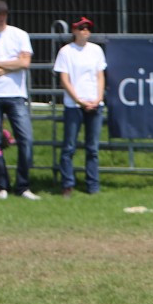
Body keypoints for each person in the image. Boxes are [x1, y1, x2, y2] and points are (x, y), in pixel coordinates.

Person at [0, 0, 39, 200]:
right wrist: (13, 64)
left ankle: (22, 186)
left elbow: (25, 63)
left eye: (5, 13)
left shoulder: (19, 35)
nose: (2, 17)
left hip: (16, 95)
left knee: (26, 139)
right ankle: (2, 184)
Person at [54, 16, 106, 197]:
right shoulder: (66, 52)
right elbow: (64, 80)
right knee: (69, 147)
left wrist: (98, 98)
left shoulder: (96, 51)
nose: (85, 31)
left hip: (95, 104)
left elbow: (100, 76)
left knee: (93, 148)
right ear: (74, 31)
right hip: (73, 106)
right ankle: (67, 184)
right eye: (81, 28)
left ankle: (93, 185)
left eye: (88, 28)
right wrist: (79, 100)